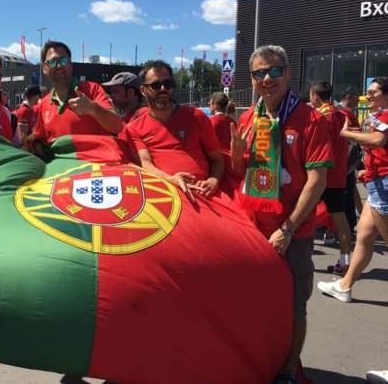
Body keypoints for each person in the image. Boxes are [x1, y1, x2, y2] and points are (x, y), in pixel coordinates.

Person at [230, 45, 332, 384]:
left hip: (294, 234)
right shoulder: (249, 118)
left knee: (293, 307)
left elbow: (317, 181)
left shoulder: (309, 119)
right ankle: (257, 359)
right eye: (259, 73)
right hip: (253, 230)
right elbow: (239, 173)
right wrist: (236, 154)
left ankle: (288, 369)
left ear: (288, 73)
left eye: (274, 71)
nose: (267, 79)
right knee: (253, 303)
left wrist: (287, 229)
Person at [318, 77, 388, 303]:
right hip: (376, 181)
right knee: (365, 238)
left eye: (373, 92)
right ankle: (345, 286)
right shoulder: (376, 115)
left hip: (383, 183)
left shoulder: (385, 115)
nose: (367, 95)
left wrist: (348, 134)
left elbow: (378, 140)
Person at [126, 60, 223, 202]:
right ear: (143, 90)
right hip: (164, 196)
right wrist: (171, 180)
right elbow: (145, 164)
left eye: (168, 84)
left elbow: (217, 159)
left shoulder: (197, 117)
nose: (163, 88)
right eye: (156, 85)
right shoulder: (134, 128)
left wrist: (214, 180)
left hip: (205, 195)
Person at [31, 41, 122, 144]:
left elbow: (117, 127)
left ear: (71, 65)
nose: (59, 65)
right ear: (44, 68)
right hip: (61, 160)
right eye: (52, 62)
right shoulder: (43, 104)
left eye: (64, 60)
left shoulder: (92, 89)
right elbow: (39, 140)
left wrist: (92, 108)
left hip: (95, 159)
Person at [309, 82, 351, 273]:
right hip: (338, 174)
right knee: (340, 220)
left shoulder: (322, 117)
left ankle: (299, 258)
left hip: (321, 175)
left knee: (301, 215)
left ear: (315, 96)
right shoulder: (342, 115)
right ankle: (345, 261)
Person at [337, 87, 364, 228]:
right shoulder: (344, 113)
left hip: (346, 156)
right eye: (356, 98)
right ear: (348, 97)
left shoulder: (340, 111)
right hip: (345, 157)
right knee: (346, 189)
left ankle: (360, 214)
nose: (358, 100)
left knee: (351, 187)